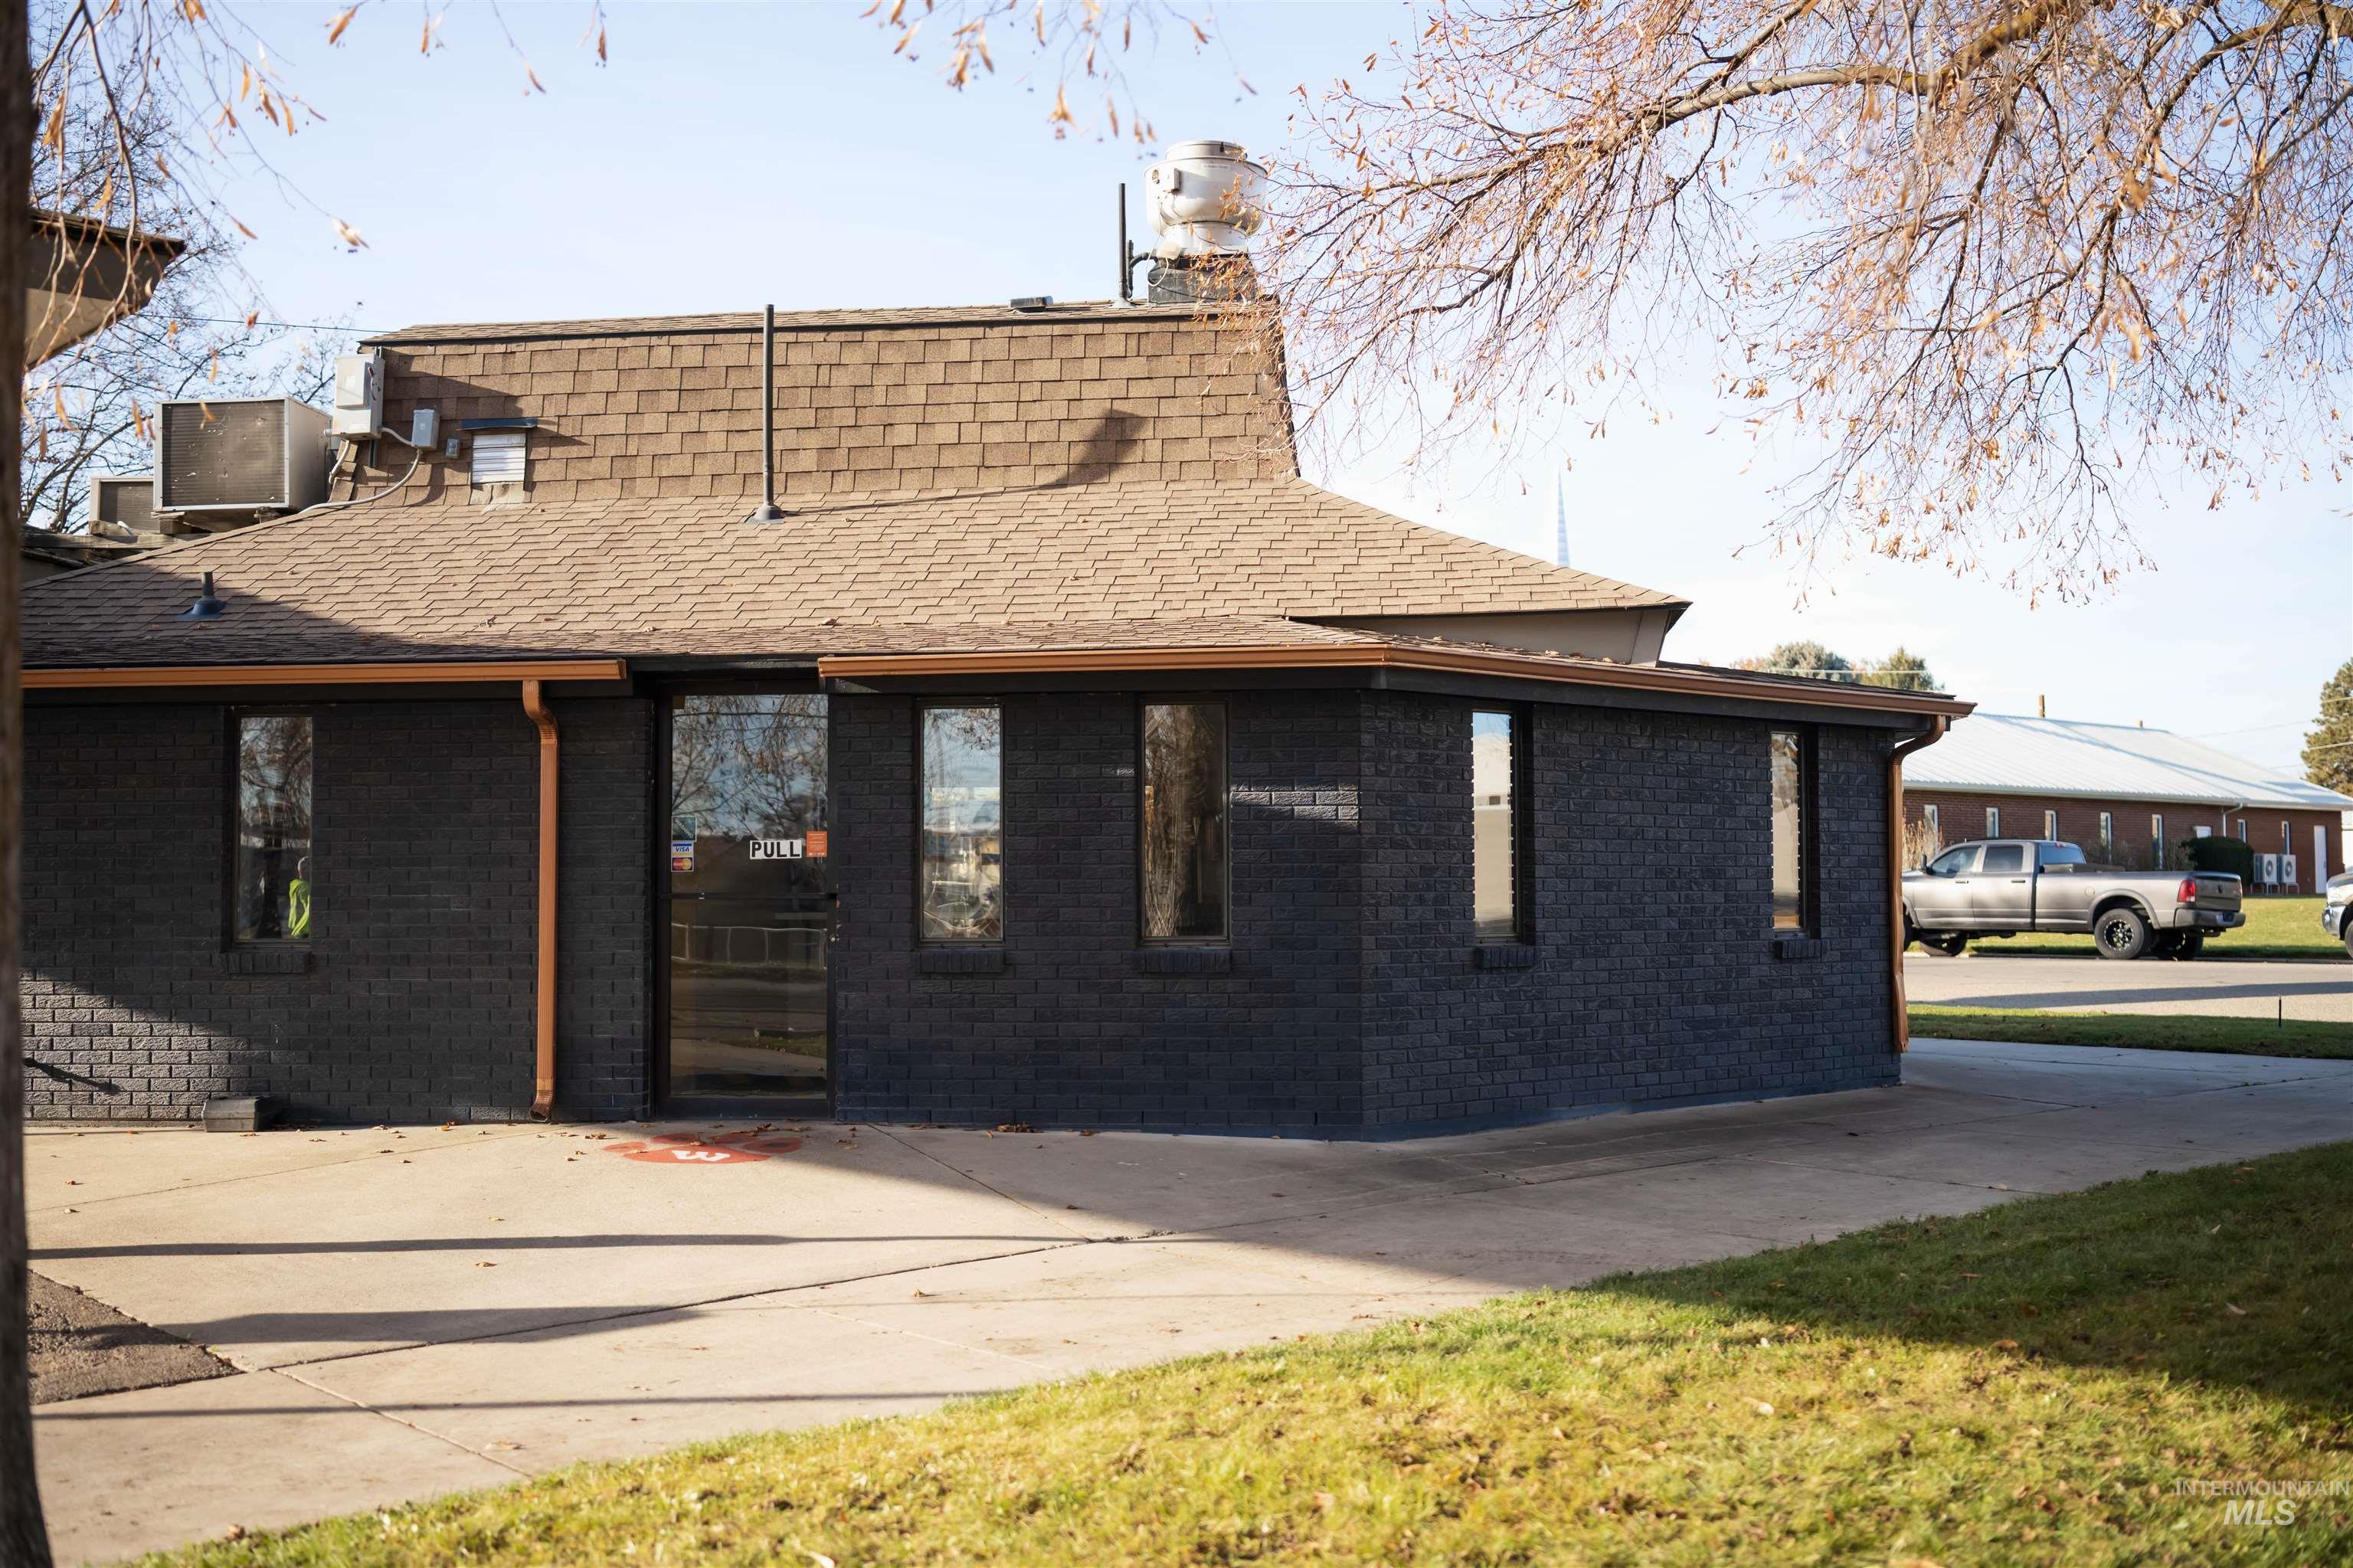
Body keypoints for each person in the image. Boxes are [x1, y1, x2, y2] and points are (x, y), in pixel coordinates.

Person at [287, 855, 313, 938]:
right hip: (302, 927)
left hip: (293, 923)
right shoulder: (305, 888)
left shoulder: (295, 884)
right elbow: (309, 912)